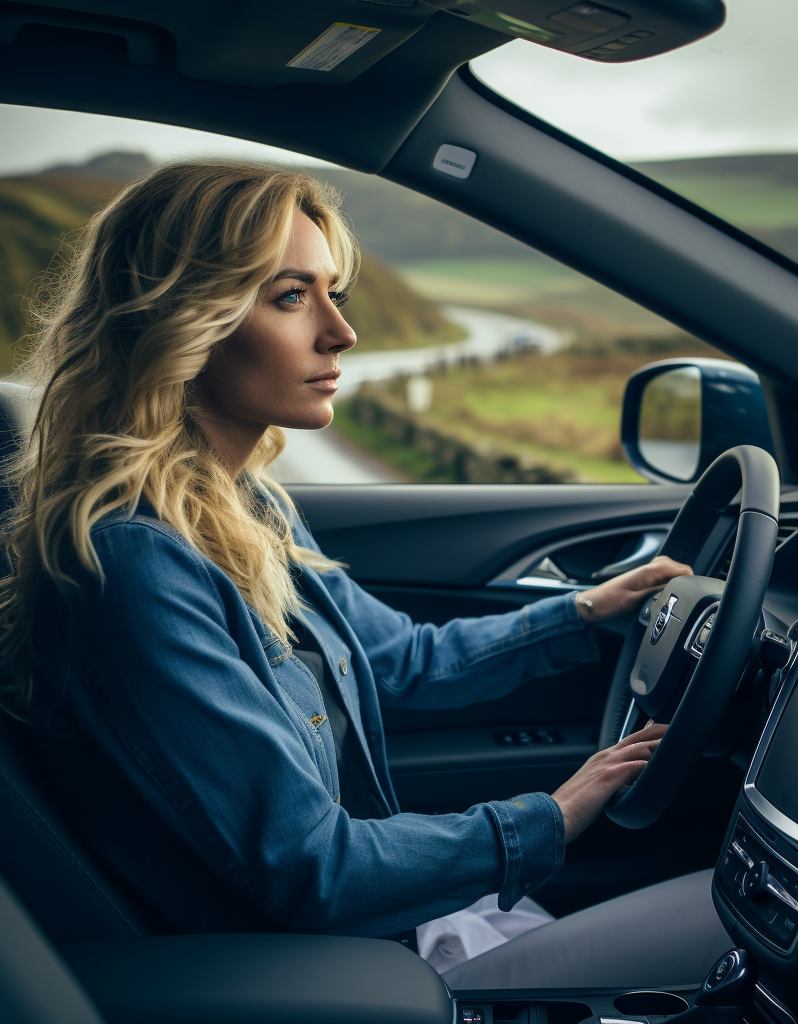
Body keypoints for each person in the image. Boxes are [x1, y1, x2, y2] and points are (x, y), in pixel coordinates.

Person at [0, 162, 731, 989]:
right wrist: (552, 818)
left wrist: (584, 611)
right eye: (289, 296)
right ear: (182, 320)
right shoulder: (137, 563)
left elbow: (398, 659)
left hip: (392, 932)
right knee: (730, 933)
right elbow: (312, 867)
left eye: (333, 293)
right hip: (313, 976)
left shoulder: (244, 504)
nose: (341, 332)